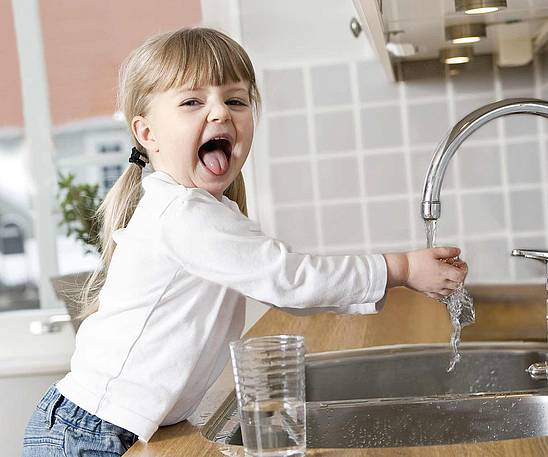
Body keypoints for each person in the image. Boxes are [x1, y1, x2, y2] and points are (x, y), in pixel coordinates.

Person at [22, 27, 468, 456]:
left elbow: (286, 287)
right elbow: (289, 280)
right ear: (146, 134)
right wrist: (401, 269)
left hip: (103, 426)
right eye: (192, 101)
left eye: (235, 100)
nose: (220, 113)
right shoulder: (182, 214)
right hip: (89, 433)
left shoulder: (205, 213)